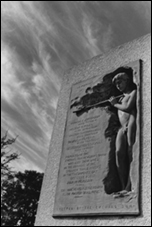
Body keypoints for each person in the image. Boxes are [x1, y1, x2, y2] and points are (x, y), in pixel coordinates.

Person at [109, 69, 137, 197]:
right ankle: (122, 185)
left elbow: (128, 108)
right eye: (116, 85)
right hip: (121, 127)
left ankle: (129, 186)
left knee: (131, 152)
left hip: (131, 122)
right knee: (119, 153)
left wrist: (114, 104)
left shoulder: (133, 92)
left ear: (127, 81)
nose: (118, 86)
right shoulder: (120, 98)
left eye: (120, 82)